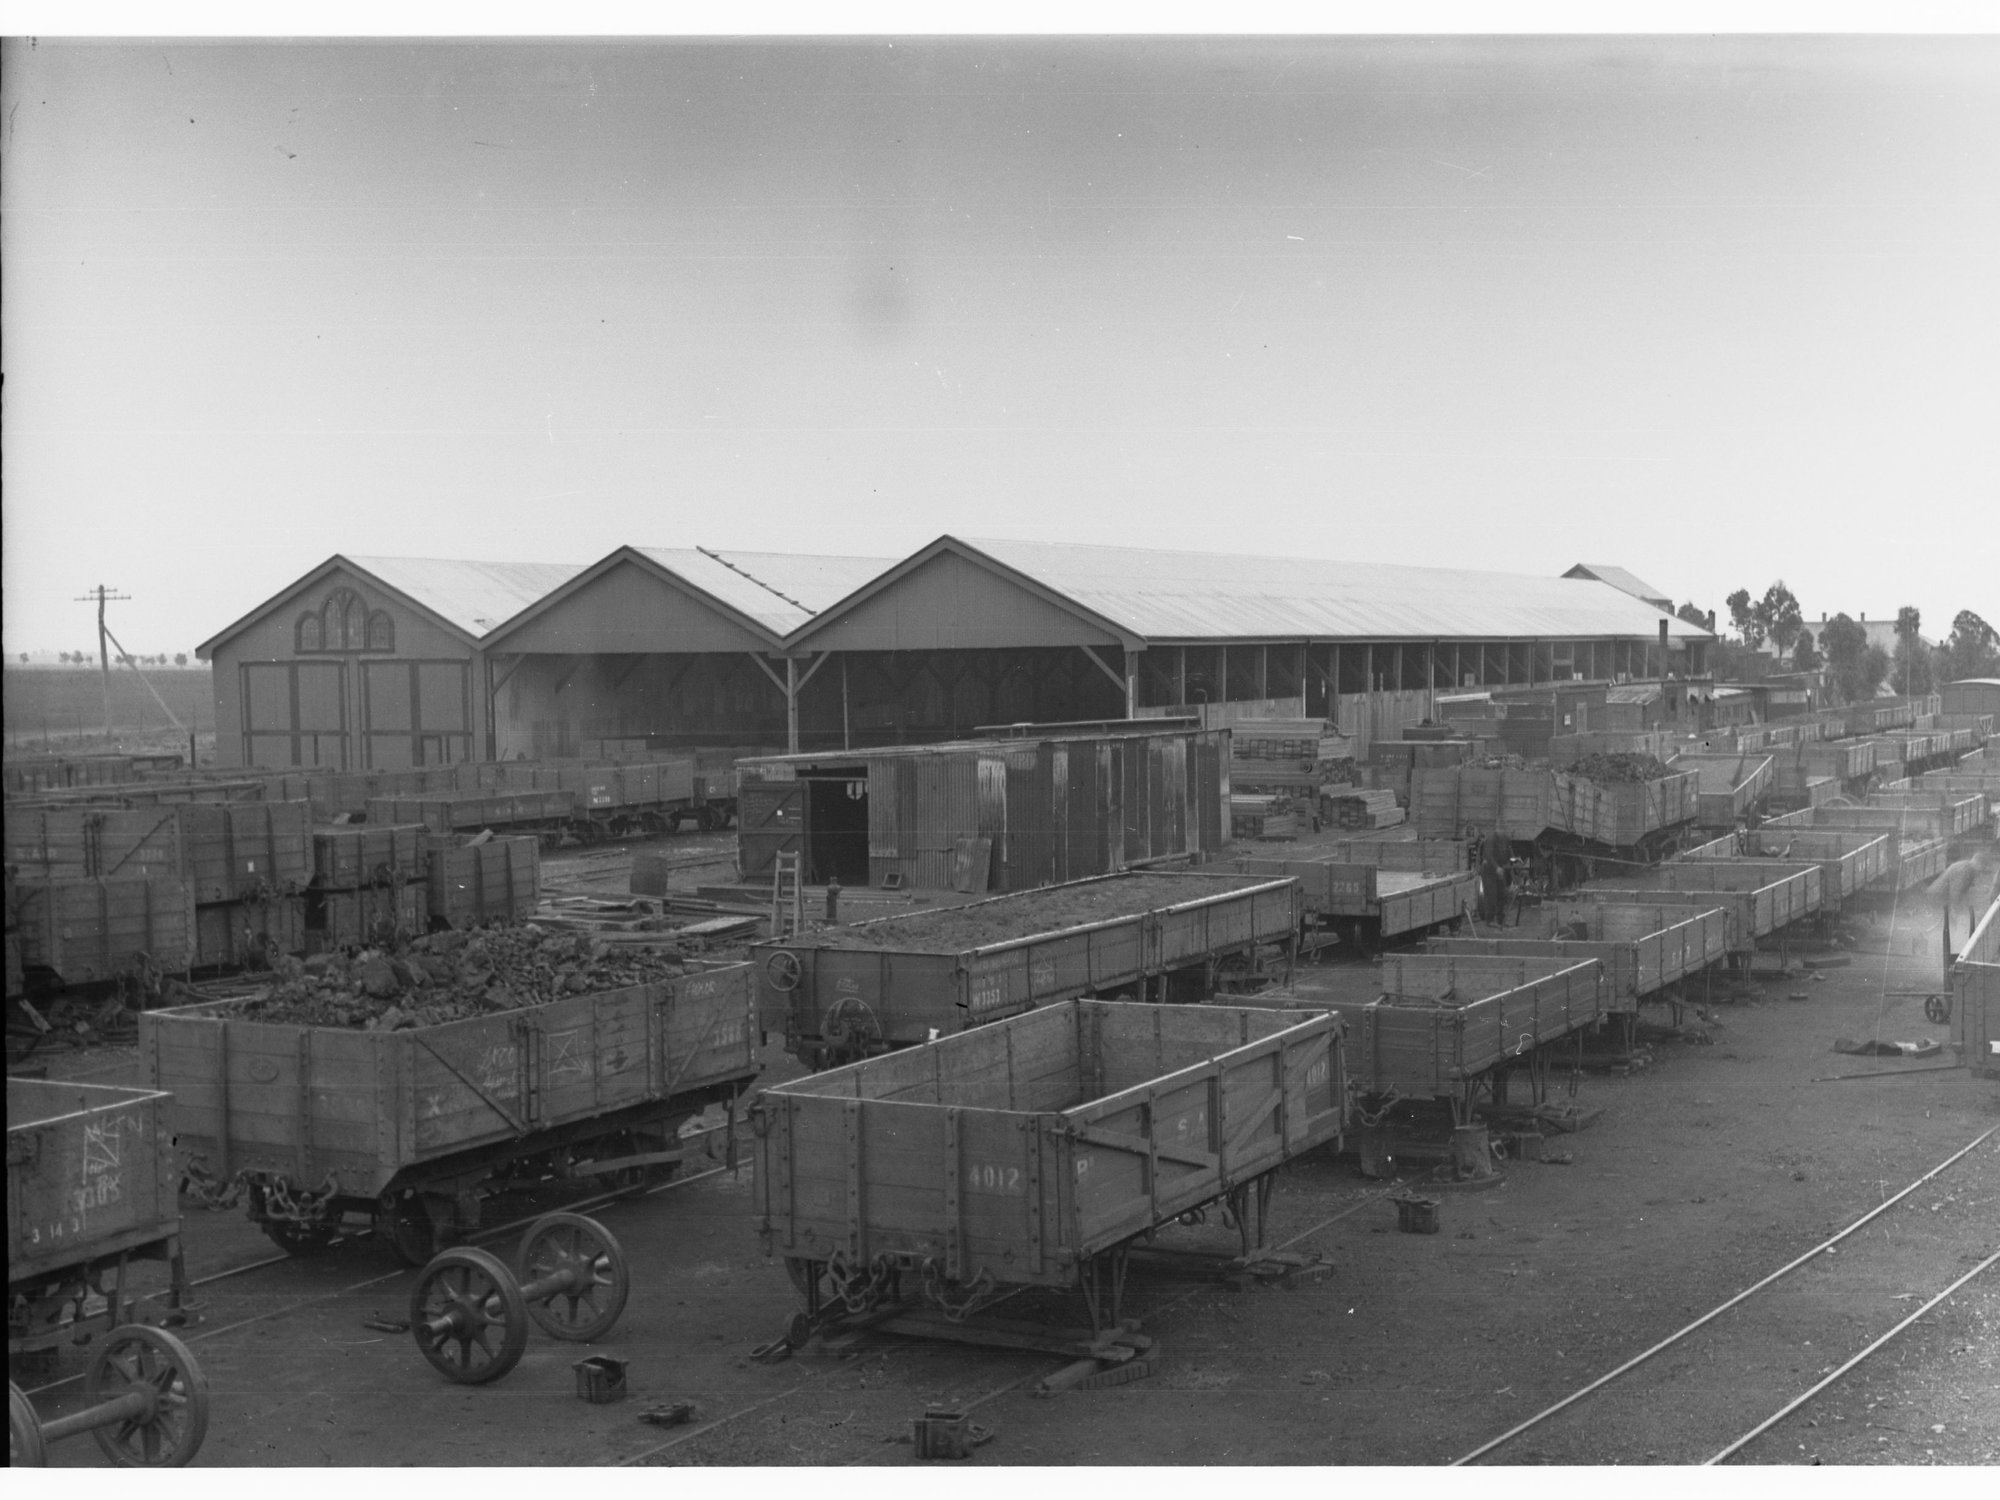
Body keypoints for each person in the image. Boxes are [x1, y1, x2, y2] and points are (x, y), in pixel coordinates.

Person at [1929, 845, 1999, 967]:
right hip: (1938, 897)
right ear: (1977, 863)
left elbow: (1963, 892)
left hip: (1941, 897)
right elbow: (1955, 892)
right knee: (1946, 925)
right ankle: (1938, 955)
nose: (1981, 872)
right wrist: (1954, 911)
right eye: (1982, 868)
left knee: (1948, 924)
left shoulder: (1969, 869)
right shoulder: (1965, 870)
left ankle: (1943, 952)